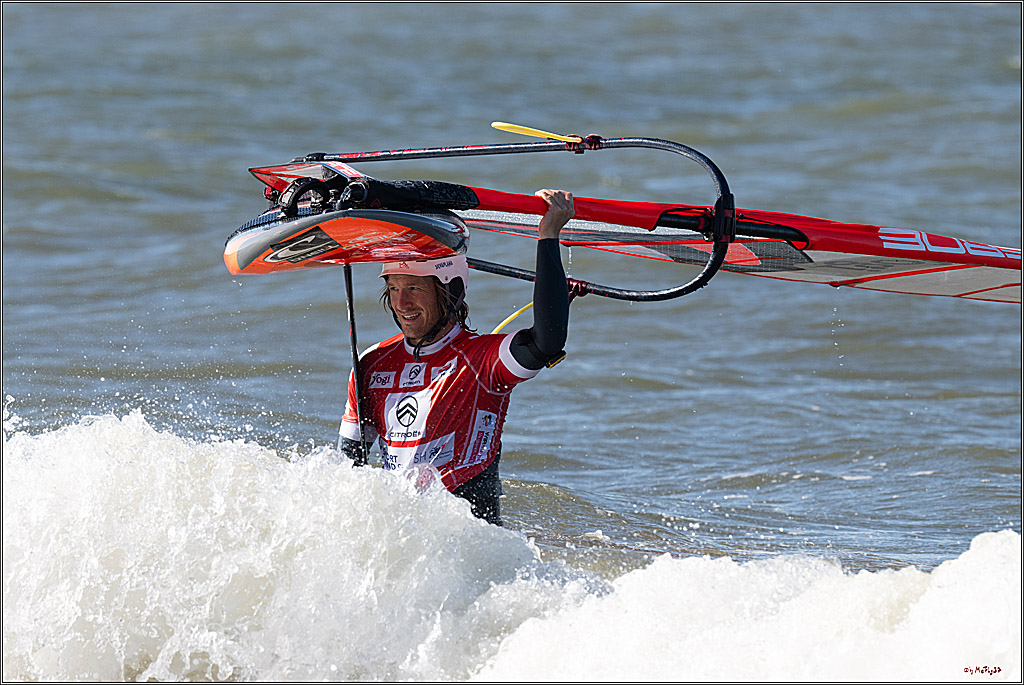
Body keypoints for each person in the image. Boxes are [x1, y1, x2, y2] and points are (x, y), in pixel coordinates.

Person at [337, 189, 575, 525]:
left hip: (469, 554)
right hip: (396, 544)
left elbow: (546, 342)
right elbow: (347, 469)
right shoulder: (371, 363)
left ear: (450, 291)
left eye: (415, 288)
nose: (401, 303)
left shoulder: (483, 360)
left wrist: (548, 235)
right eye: (393, 288)